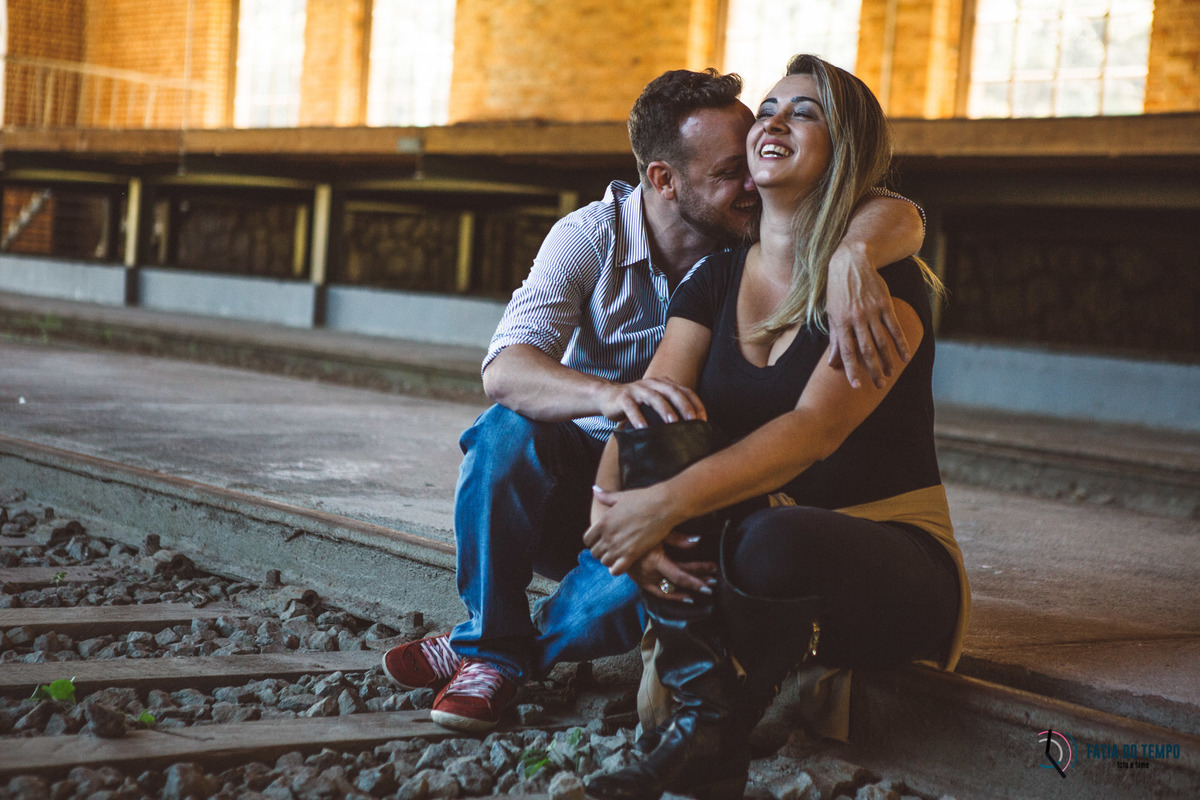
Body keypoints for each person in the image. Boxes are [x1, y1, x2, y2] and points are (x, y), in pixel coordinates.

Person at [381, 67, 928, 732]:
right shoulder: (589, 236)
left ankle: (493, 656)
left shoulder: (749, 238)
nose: (752, 183)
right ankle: (493, 642)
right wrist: (613, 397)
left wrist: (855, 252)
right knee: (504, 431)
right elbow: (504, 371)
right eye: (731, 170)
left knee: (689, 541)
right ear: (664, 180)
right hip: (582, 477)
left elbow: (888, 208)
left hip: (683, 477)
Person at [582, 55, 971, 800]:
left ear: (844, 148)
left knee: (767, 539)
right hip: (756, 542)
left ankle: (708, 730)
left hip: (889, 567)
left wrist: (664, 507)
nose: (774, 121)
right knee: (665, 442)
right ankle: (708, 739)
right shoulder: (716, 275)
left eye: (805, 112)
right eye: (768, 107)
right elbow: (651, 402)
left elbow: (812, 432)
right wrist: (615, 509)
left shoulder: (882, 285)